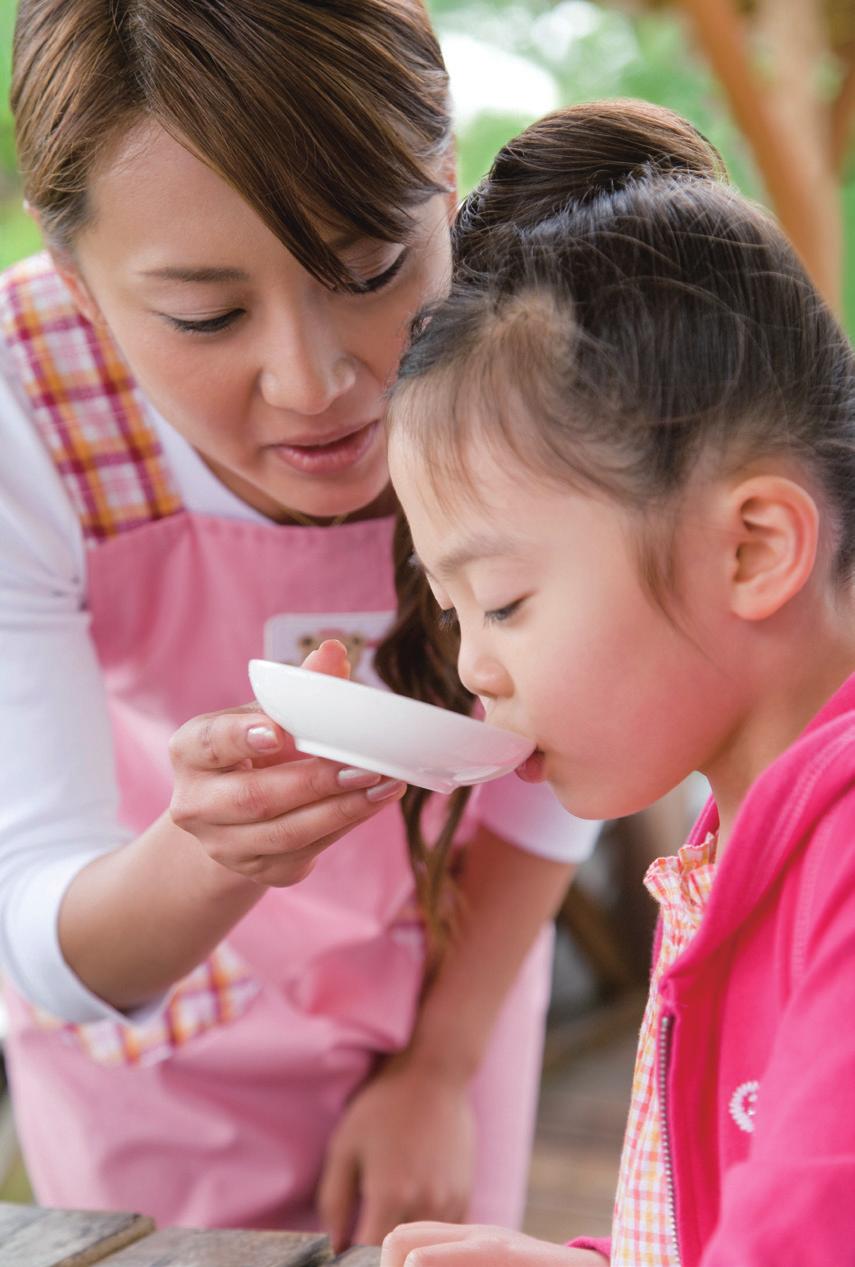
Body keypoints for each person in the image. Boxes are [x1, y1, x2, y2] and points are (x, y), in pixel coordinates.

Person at [0, 0, 614, 1244]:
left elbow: (570, 759)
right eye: (207, 316)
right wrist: (211, 848)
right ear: (79, 282)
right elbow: (52, 934)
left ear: (445, 186)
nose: (316, 381)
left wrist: (441, 1063)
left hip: (458, 966)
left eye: (374, 270)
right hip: (158, 1030)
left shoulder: (532, 338)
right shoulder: (30, 402)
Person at [380, 103, 855, 1265]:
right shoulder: (740, 833)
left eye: (503, 601)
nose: (474, 664)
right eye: (451, 613)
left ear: (750, 550)